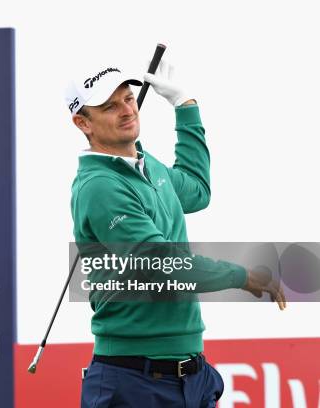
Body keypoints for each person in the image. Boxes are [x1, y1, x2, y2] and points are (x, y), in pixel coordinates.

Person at [67, 61, 286, 407]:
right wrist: (240, 276)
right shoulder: (100, 186)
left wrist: (185, 107)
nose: (127, 110)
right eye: (110, 106)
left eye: (128, 99)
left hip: (190, 377)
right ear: (83, 123)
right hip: (133, 381)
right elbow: (163, 264)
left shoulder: (147, 165)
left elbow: (197, 189)